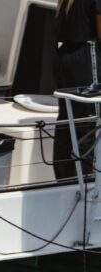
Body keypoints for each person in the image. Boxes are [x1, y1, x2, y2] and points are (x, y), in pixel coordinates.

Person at [53, 0, 101, 181]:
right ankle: (88, 182)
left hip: (66, 56)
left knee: (68, 121)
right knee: (91, 124)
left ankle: (65, 181)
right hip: (87, 55)